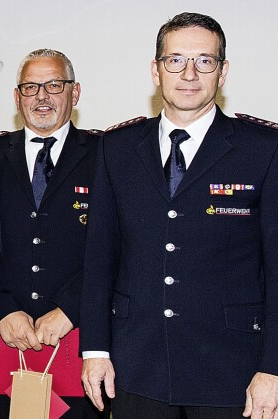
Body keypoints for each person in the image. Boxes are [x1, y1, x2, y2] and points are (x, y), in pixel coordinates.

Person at [81, 12, 278, 419]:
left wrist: (273, 368)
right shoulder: (115, 148)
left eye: (204, 60)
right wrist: (95, 349)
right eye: (175, 60)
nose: (189, 73)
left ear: (222, 73)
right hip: (137, 366)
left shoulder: (263, 149)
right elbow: (99, 257)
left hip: (232, 370)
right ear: (156, 70)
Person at [0, 49, 105, 419]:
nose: (42, 96)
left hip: (78, 337)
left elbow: (116, 247)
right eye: (31, 87)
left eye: (54, 85)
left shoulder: (105, 154)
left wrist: (70, 310)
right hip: (4, 336)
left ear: (74, 93)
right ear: (17, 98)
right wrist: (0, 311)